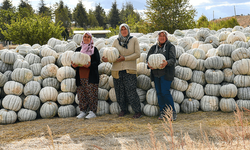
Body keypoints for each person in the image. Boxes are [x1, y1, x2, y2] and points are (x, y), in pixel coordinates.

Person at [102, 23, 142, 119]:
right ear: (120, 31)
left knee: (131, 90)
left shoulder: (134, 40)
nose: (124, 31)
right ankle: (123, 110)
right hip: (117, 70)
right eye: (122, 29)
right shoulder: (116, 41)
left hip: (129, 69)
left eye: (125, 29)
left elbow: (137, 54)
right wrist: (107, 59)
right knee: (119, 91)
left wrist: (125, 58)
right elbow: (112, 54)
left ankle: (137, 111)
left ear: (128, 30)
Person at [146, 30, 177, 121]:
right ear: (158, 37)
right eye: (160, 36)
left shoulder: (170, 47)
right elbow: (148, 58)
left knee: (165, 93)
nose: (162, 37)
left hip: (166, 74)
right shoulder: (153, 48)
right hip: (156, 74)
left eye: (163, 36)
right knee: (159, 93)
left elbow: (173, 59)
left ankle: (172, 112)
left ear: (166, 37)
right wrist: (149, 65)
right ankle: (163, 112)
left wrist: (167, 62)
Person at [72, 32, 100, 119]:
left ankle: (92, 112)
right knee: (82, 95)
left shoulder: (94, 50)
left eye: (88, 37)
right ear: (82, 38)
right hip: (80, 76)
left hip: (90, 76)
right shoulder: (78, 50)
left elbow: (97, 62)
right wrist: (73, 66)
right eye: (85, 37)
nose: (86, 38)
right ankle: (83, 111)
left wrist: (90, 65)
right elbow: (73, 61)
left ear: (91, 39)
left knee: (91, 94)